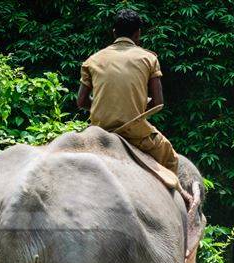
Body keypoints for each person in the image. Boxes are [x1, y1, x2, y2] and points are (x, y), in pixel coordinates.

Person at [76, 8, 179, 174]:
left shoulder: (92, 60)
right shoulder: (149, 59)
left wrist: (106, 108)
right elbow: (158, 102)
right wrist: (134, 108)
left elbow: (81, 102)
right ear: (138, 34)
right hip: (135, 132)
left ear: (114, 32)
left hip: (98, 131)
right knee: (171, 159)